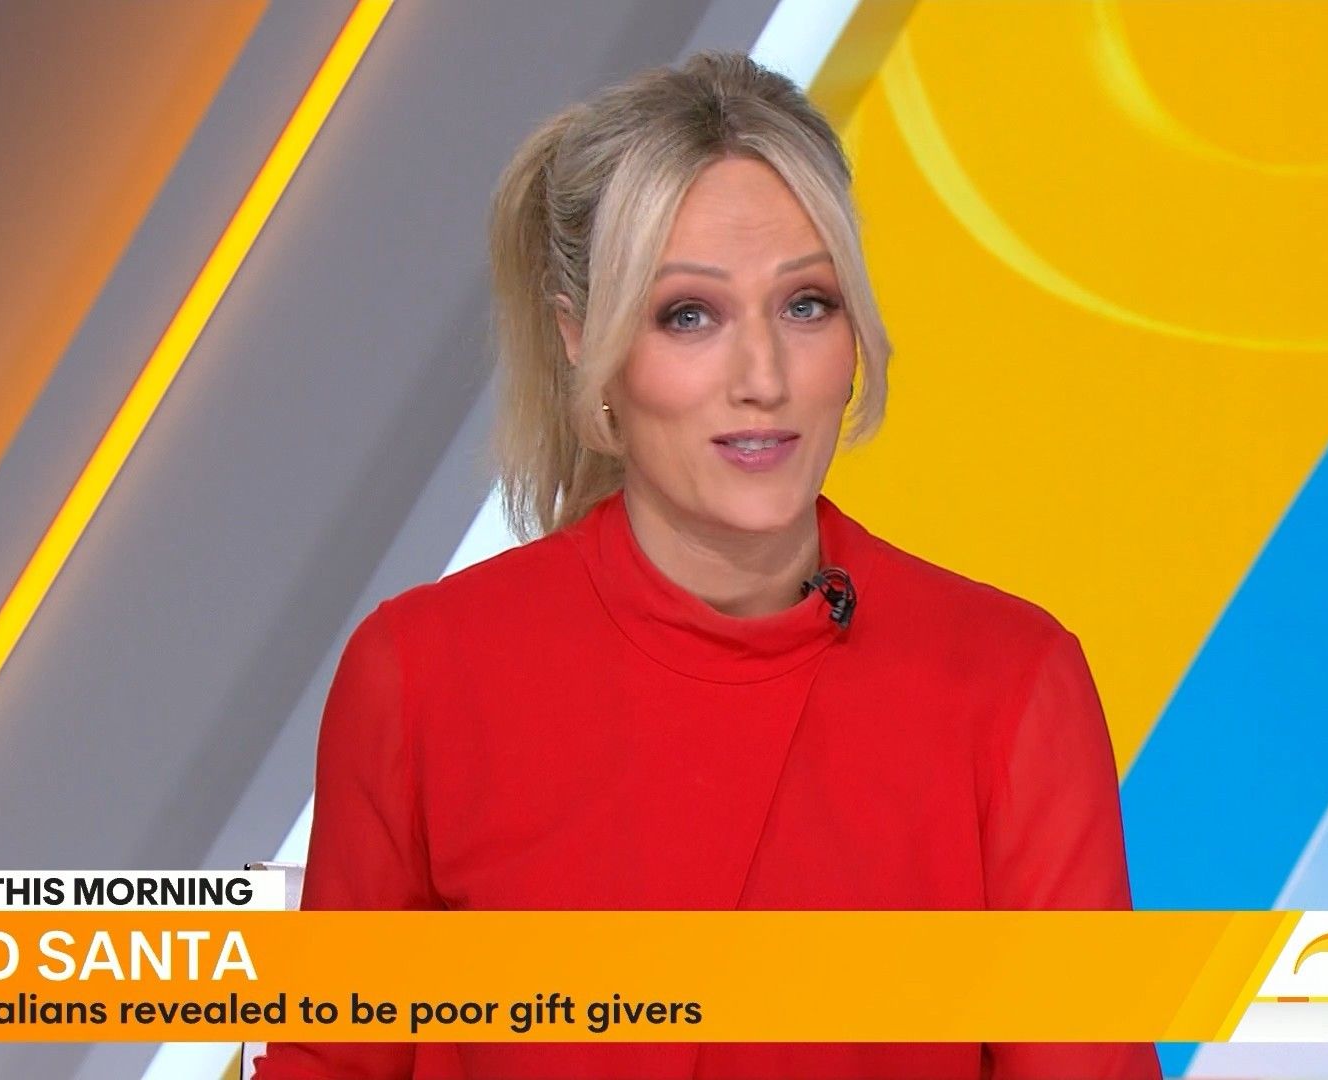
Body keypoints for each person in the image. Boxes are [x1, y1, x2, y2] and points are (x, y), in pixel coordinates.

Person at [253, 49, 1159, 1080]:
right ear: (581, 341)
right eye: (690, 315)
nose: (763, 377)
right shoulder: (422, 676)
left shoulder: (1010, 682)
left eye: (805, 304)